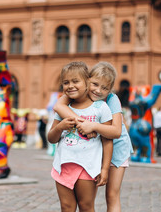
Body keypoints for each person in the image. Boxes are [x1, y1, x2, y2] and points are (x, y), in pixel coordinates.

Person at [54, 61, 132, 212]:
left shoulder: (111, 99)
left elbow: (115, 132)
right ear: (87, 80)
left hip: (117, 147)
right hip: (94, 147)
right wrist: (83, 125)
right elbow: (58, 106)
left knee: (111, 194)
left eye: (104, 88)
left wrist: (93, 126)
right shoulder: (75, 95)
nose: (98, 90)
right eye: (95, 84)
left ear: (110, 89)